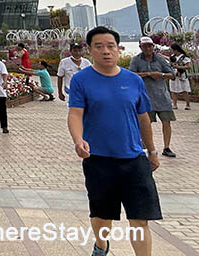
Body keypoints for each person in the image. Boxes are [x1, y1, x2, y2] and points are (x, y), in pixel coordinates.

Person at [68, 26, 161, 256]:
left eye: (111, 46)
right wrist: (78, 140)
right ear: (89, 50)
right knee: (101, 216)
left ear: (118, 49)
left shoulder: (133, 81)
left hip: (134, 159)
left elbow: (144, 118)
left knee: (140, 219)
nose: (106, 51)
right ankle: (101, 246)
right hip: (98, 159)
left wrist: (152, 150)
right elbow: (75, 114)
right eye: (99, 46)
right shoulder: (82, 80)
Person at [128, 36, 177, 158]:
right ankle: (146, 147)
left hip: (162, 96)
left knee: (166, 122)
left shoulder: (160, 59)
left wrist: (161, 75)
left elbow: (172, 74)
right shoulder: (136, 60)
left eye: (150, 46)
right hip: (145, 97)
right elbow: (131, 75)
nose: (148, 49)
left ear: (153, 47)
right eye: (145, 46)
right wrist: (148, 74)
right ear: (140, 47)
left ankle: (166, 147)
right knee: (145, 123)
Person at [167, 43, 192, 111]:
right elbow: (169, 61)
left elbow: (188, 66)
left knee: (184, 90)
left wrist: (179, 67)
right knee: (173, 90)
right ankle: (174, 104)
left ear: (176, 50)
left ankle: (188, 105)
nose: (171, 51)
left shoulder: (184, 57)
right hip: (174, 74)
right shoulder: (173, 56)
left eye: (172, 49)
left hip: (182, 75)